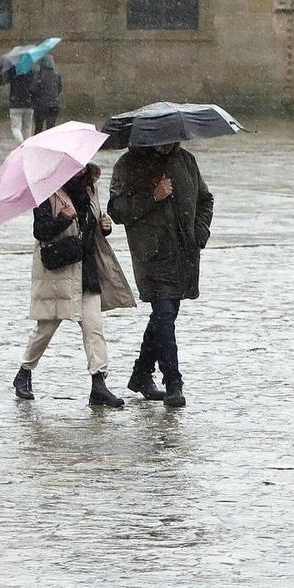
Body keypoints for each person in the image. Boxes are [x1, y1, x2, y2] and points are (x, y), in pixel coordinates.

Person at [15, 163, 137, 407]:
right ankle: (24, 373)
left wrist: (105, 227)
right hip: (60, 272)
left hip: (86, 268)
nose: (80, 171)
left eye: (82, 166)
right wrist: (63, 218)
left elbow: (91, 230)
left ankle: (98, 384)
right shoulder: (48, 192)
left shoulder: (90, 190)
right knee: (46, 328)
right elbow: (41, 231)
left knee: (94, 328)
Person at [108, 139, 213, 408]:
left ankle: (141, 373)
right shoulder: (128, 165)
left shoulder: (186, 160)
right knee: (164, 315)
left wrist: (199, 233)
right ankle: (173, 382)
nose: (170, 143)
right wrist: (153, 197)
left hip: (184, 255)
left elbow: (205, 199)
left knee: (163, 318)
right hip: (151, 257)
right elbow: (117, 211)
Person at [30, 57, 61, 135]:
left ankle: (37, 143)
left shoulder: (38, 75)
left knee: (38, 127)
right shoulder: (56, 75)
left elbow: (33, 89)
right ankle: (50, 142)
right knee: (51, 127)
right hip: (54, 104)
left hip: (41, 105)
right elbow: (59, 88)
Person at [7, 62, 35, 142]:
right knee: (28, 127)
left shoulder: (13, 72)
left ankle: (21, 145)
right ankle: (27, 146)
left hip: (15, 104)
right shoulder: (31, 73)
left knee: (16, 128)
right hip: (29, 104)